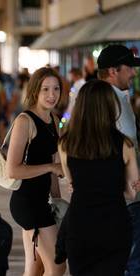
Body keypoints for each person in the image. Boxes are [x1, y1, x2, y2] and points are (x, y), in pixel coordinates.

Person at [58, 80, 138, 275]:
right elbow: (132, 192)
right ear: (110, 107)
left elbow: (72, 184)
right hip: (114, 227)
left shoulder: (66, 144)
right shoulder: (124, 145)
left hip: (80, 227)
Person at [7, 67, 66, 276]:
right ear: (34, 91)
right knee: (57, 266)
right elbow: (12, 169)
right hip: (27, 202)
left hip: (42, 202)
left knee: (35, 269)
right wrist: (51, 167)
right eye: (46, 89)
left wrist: (57, 200)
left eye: (56, 89)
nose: (52, 95)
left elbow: (53, 163)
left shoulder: (54, 121)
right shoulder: (25, 121)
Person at [96, 44, 140, 276]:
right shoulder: (107, 103)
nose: (133, 73)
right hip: (125, 201)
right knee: (131, 266)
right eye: (129, 68)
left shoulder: (118, 99)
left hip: (126, 199)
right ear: (113, 71)